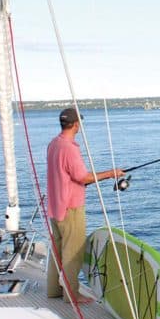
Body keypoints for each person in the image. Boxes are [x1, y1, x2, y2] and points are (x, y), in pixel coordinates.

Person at [46, 107, 125, 303]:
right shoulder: (69, 149)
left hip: (55, 207)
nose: (80, 125)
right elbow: (83, 177)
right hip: (70, 208)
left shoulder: (53, 144)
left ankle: (53, 290)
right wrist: (111, 173)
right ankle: (71, 295)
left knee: (57, 250)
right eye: (79, 122)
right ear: (75, 124)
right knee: (73, 251)